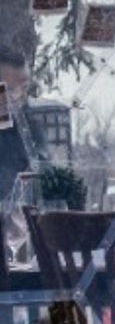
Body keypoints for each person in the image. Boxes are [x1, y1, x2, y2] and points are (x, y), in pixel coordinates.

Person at [0, 45, 43, 206]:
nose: (19, 96)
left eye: (24, 88)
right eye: (9, 89)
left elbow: (44, 178)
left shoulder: (29, 129)